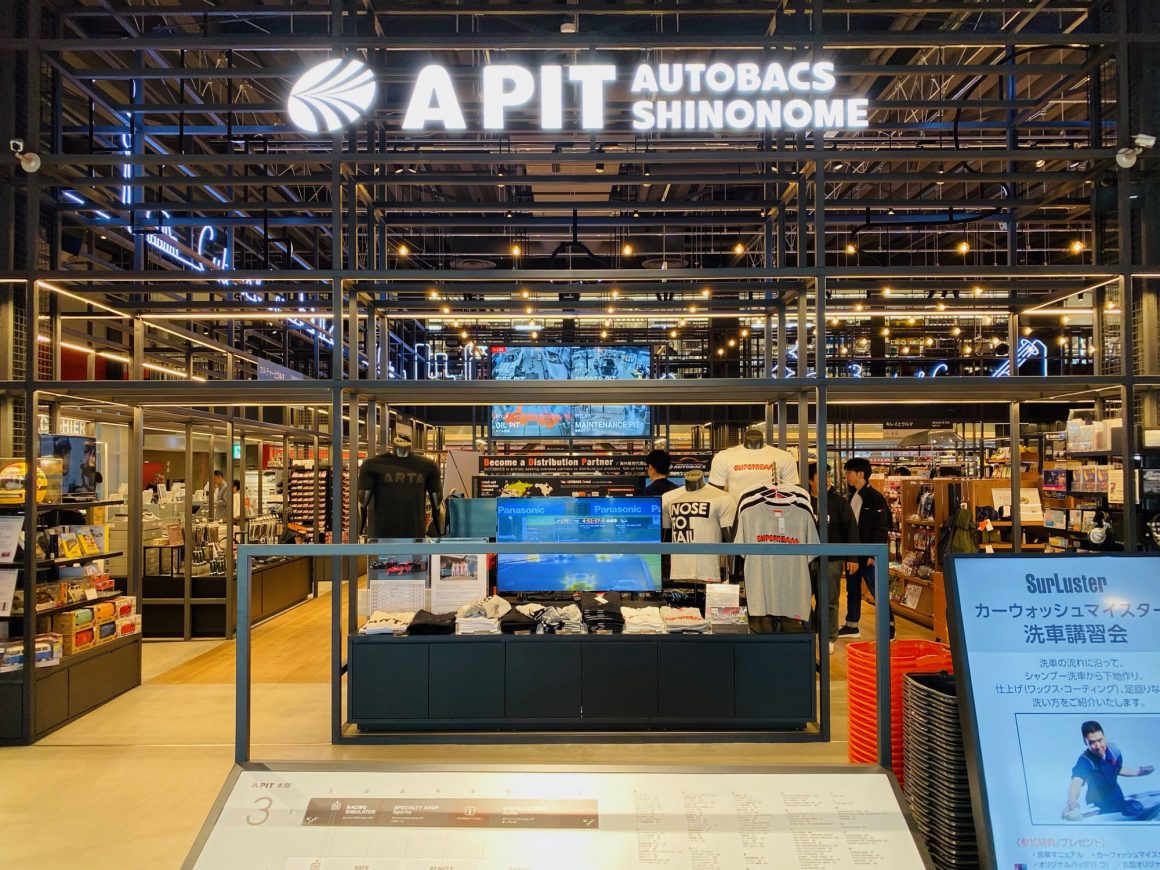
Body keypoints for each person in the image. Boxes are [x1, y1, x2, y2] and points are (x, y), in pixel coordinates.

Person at [840, 457, 895, 640]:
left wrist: (873, 553)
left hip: (869, 554)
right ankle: (851, 625)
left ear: (860, 474)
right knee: (852, 590)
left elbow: (882, 527)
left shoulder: (875, 498)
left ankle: (889, 627)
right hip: (853, 553)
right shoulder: (852, 495)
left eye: (849, 472)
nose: (846, 476)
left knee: (877, 590)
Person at [808, 462, 860, 654]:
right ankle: (810, 630)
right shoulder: (802, 502)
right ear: (810, 481)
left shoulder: (839, 503)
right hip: (805, 560)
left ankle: (829, 637)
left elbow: (851, 530)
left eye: (829, 476)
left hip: (832, 559)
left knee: (829, 600)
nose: (827, 480)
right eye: (822, 477)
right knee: (802, 598)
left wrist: (852, 557)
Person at [1063, 720, 1154, 820]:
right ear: (1085, 742)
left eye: (1100, 740)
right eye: (1092, 742)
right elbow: (1076, 781)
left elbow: (1117, 769)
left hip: (1118, 798)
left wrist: (1137, 772)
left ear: (1104, 737)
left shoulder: (1114, 750)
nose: (1098, 746)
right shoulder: (1084, 761)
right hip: (1098, 806)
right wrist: (1072, 800)